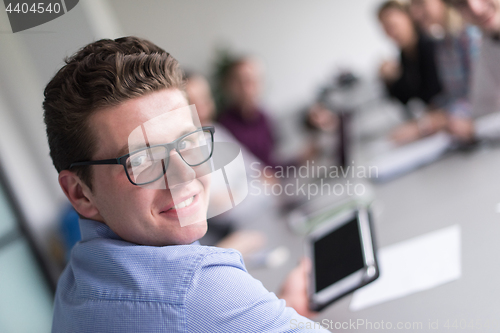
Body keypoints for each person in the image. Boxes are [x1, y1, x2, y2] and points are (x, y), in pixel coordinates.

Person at [44, 37, 328, 332]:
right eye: (143, 159)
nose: (185, 173)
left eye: (189, 141)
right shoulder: (198, 286)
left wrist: (260, 317)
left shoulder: (74, 284)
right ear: (80, 194)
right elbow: (192, 305)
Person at [410, 0, 481, 142]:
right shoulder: (442, 44)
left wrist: (437, 121)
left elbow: (481, 99)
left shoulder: (471, 36)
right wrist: (432, 113)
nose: (415, 14)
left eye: (421, 3)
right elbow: (453, 95)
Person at [378, 0, 446, 144]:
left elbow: (437, 95)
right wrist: (389, 80)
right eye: (385, 29)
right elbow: (405, 99)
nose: (391, 33)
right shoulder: (405, 55)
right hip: (435, 123)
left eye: (393, 25)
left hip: (447, 120)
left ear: (409, 18)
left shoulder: (430, 44)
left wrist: (421, 126)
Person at [443, 0, 500, 140]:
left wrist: (477, 129)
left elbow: (476, 125)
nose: (476, 9)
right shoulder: (489, 41)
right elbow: (482, 110)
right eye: (462, 3)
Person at [218, 57, 278, 167]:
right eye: (243, 82)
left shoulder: (264, 118)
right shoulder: (223, 127)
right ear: (231, 86)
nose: (249, 88)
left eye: (254, 81)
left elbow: (272, 162)